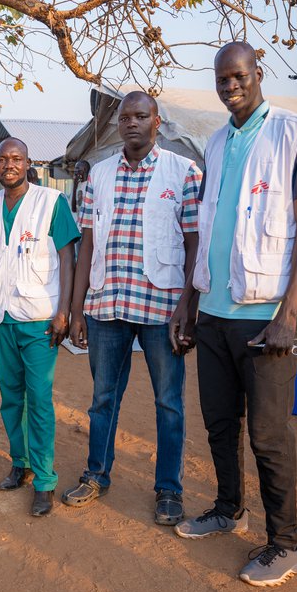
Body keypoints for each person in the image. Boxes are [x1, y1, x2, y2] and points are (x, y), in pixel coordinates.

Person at [172, 41, 297, 587]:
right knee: (219, 425)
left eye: (239, 75)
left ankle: (287, 544)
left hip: (266, 319)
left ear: (258, 73)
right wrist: (191, 305)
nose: (230, 85)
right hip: (214, 312)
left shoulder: (294, 131)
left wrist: (289, 312)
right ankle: (228, 509)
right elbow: (212, 228)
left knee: (268, 435)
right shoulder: (215, 143)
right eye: (222, 78)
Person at [62, 92, 202, 526]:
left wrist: (188, 307)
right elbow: (85, 245)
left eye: (142, 116)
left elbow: (195, 242)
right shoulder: (97, 176)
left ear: (157, 122)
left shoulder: (183, 173)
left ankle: (169, 490)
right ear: (118, 124)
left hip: (163, 308)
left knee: (169, 403)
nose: (132, 123)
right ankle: (96, 475)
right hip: (108, 304)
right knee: (104, 398)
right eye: (126, 118)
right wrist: (78, 308)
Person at [0, 137, 80, 517]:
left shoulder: (51, 202)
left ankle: (44, 480)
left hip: (40, 318)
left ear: (27, 163)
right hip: (2, 316)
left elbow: (67, 258)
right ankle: (19, 464)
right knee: (10, 398)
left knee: (38, 399)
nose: (9, 165)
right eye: (2, 159)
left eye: (16, 159)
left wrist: (64, 312)